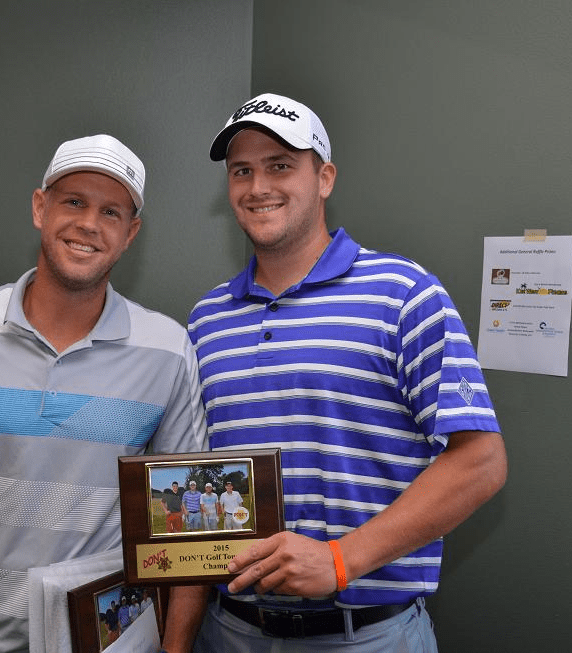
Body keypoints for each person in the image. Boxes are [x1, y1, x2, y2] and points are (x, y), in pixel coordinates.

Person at [181, 93, 508, 651]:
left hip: (368, 635)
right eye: (242, 171)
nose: (258, 186)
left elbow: (481, 462)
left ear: (324, 177)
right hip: (231, 629)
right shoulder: (206, 320)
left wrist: (339, 560)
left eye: (280, 165)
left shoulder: (404, 293)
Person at [0, 134, 208, 653]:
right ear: (39, 207)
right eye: (74, 201)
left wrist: (174, 650)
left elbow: (186, 534)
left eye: (112, 212)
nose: (89, 224)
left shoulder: (168, 350)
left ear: (130, 233)